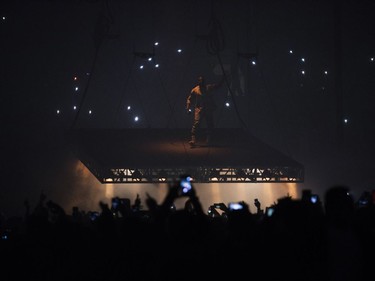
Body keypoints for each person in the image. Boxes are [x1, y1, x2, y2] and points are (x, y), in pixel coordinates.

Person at [186, 75, 223, 146]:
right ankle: (193, 140)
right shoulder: (195, 90)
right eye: (200, 80)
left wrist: (223, 79)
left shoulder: (208, 87)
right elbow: (189, 99)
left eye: (202, 80)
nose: (201, 82)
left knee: (210, 124)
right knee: (196, 123)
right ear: (198, 81)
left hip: (208, 108)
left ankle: (209, 139)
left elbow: (218, 86)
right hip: (199, 109)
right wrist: (188, 108)